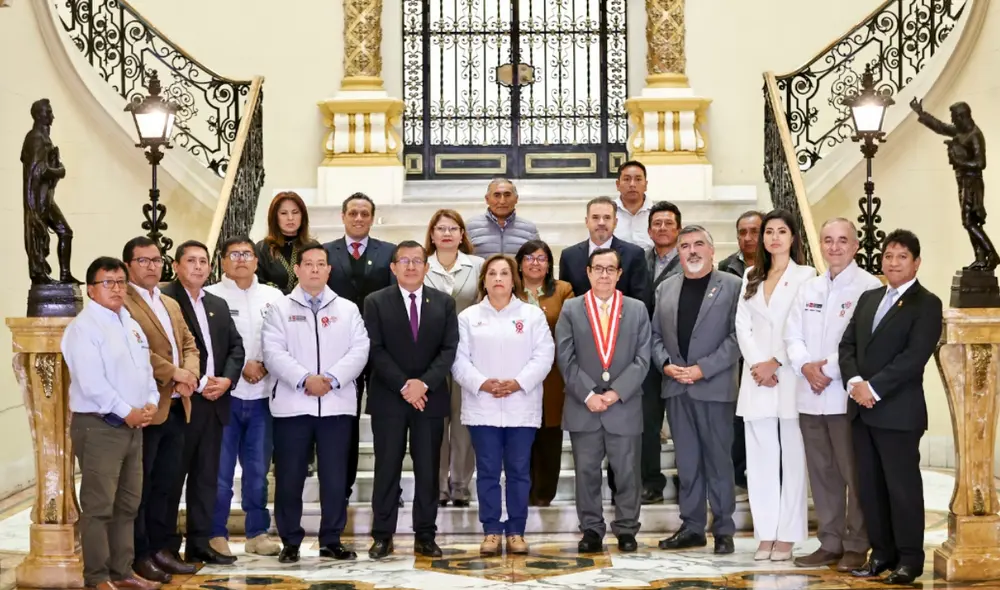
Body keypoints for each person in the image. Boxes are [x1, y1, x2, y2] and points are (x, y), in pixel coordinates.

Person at [840, 229, 942, 585]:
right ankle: (881, 553)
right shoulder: (869, 298)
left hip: (898, 412)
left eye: (902, 257)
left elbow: (913, 358)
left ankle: (910, 559)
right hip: (861, 409)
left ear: (916, 262)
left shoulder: (926, 303)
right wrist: (855, 384)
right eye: (888, 256)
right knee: (869, 487)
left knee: (902, 489)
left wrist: (874, 388)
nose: (893, 262)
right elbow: (847, 345)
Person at [262, 242, 371, 563]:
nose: (313, 269)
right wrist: (305, 378)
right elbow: (273, 352)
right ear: (297, 270)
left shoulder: (348, 309)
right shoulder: (279, 309)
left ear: (328, 269)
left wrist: (332, 379)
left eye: (319, 264)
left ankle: (331, 539)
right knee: (290, 478)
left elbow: (360, 350)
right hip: (292, 407)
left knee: (336, 478)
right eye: (307, 264)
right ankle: (291, 541)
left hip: (336, 407)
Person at [784, 218, 880, 572]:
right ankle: (830, 541)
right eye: (828, 240)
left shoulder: (869, 287)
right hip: (809, 396)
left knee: (853, 474)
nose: (834, 247)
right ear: (820, 245)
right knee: (822, 474)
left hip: (844, 398)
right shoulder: (808, 288)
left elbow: (863, 341)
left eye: (842, 240)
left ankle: (857, 543)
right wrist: (805, 366)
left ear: (855, 246)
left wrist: (827, 370)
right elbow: (792, 335)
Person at [63, 256, 162, 590]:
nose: (117, 288)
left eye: (121, 282)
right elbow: (92, 382)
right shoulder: (83, 328)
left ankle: (122, 571)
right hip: (100, 426)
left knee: (128, 504)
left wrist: (151, 403)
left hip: (133, 425)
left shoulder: (130, 322)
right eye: (109, 283)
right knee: (99, 505)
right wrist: (126, 411)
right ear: (92, 289)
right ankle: (97, 577)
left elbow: (146, 369)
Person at [452, 255, 554, 555]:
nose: (498, 278)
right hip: (482, 407)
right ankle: (492, 531)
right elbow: (459, 360)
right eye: (492, 273)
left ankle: (516, 532)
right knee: (486, 471)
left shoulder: (532, 316)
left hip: (521, 406)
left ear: (514, 280)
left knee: (519, 471)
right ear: (484, 280)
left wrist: (518, 382)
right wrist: (482, 383)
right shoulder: (468, 317)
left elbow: (544, 356)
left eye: (504, 273)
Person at [363, 240, 459, 559]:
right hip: (389, 398)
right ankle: (382, 534)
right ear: (393, 267)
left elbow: (448, 351)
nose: (411, 266)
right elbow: (375, 350)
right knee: (387, 467)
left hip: (430, 400)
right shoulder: (375, 301)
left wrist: (424, 385)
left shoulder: (443, 303)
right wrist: (406, 385)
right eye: (404, 260)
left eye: (417, 260)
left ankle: (426, 535)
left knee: (428, 470)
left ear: (426, 267)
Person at [555, 248, 651, 554]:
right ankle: (592, 530)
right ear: (588, 272)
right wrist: (588, 394)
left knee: (626, 473)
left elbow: (642, 358)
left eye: (611, 269)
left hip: (623, 405)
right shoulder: (571, 309)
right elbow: (565, 359)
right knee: (586, 473)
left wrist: (615, 392)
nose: (604, 275)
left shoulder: (636, 309)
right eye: (599, 268)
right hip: (585, 406)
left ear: (620, 274)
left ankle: (626, 529)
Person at [652, 225, 741, 555]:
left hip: (714, 387)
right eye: (685, 245)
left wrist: (704, 368)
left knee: (718, 461)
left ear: (711, 250)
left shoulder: (732, 286)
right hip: (676, 387)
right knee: (687, 463)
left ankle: (723, 529)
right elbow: (655, 337)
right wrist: (665, 365)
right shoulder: (666, 288)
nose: (692, 250)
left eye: (699, 244)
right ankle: (691, 527)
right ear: (678, 252)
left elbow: (737, 338)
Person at [735, 209, 815, 561]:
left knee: (793, 459)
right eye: (769, 232)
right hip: (756, 381)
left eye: (782, 231)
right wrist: (757, 364)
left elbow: (802, 326)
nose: (774, 238)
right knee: (761, 460)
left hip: (789, 377)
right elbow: (742, 325)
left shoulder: (806, 276)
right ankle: (766, 534)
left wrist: (775, 362)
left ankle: (788, 534)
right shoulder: (751, 274)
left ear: (793, 237)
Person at [162, 241, 245, 565]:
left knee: (206, 478)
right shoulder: (166, 300)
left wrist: (226, 379)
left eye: (203, 261)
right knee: (171, 479)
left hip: (213, 404)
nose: (198, 266)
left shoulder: (218, 304)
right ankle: (166, 546)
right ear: (177, 265)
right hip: (180, 403)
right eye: (191, 261)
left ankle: (200, 543)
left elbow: (236, 348)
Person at [122, 237, 200, 583]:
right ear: (128, 266)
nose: (152, 266)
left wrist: (191, 376)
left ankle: (163, 548)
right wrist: (175, 373)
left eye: (156, 260)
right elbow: (136, 351)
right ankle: (141, 554)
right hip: (148, 407)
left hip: (177, 405)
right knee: (143, 485)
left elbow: (188, 343)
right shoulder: (122, 303)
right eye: (143, 260)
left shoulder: (169, 302)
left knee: (169, 484)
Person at [204, 237, 285, 558]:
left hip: (264, 397)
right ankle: (215, 532)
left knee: (257, 471)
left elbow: (282, 339)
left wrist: (265, 364)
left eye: (247, 254)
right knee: (220, 472)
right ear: (222, 262)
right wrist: (241, 369)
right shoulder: (211, 297)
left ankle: (257, 532)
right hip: (225, 398)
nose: (240, 259)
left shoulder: (273, 297)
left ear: (256, 260)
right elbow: (208, 346)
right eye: (233, 255)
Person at [322, 192, 396, 502]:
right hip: (339, 349)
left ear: (372, 217)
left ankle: (389, 486)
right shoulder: (325, 253)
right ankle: (343, 484)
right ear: (343, 216)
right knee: (345, 420)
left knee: (385, 422)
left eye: (365, 213)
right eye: (353, 212)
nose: (358, 218)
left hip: (380, 347)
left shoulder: (389, 252)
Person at [424, 209, 483, 507]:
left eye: (453, 228)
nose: (447, 234)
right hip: (430, 356)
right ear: (432, 235)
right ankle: (437, 484)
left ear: (462, 234)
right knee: (436, 421)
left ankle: (460, 482)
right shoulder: (421, 266)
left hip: (467, 354)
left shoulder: (478, 266)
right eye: (441, 228)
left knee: (463, 420)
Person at [515, 240, 575, 507]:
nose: (535, 263)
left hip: (553, 374)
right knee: (520, 438)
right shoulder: (509, 290)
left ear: (550, 264)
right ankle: (521, 492)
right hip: (515, 373)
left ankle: (543, 495)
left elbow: (570, 329)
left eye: (541, 258)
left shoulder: (562, 290)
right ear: (519, 263)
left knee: (549, 436)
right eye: (529, 258)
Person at [641, 200, 684, 504]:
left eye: (669, 223)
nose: (663, 228)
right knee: (648, 422)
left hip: (682, 354)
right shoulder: (637, 260)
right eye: (657, 223)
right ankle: (651, 483)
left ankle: (689, 479)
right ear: (649, 229)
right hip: (646, 351)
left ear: (678, 229)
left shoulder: (690, 259)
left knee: (684, 424)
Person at [718, 209, 762, 494]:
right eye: (742, 232)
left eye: (754, 231)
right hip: (735, 352)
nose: (747, 238)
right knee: (735, 417)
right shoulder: (726, 266)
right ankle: (735, 472)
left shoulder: (782, 267)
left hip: (768, 355)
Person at [559, 197, 651, 312]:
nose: (601, 223)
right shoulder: (569, 256)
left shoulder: (634, 255)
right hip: (581, 327)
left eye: (607, 217)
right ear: (586, 221)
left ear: (615, 222)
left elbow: (641, 302)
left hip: (621, 324)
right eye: (595, 217)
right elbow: (565, 300)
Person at [466, 177, 540, 257]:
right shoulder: (470, 227)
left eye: (507, 195)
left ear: (516, 199)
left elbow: (537, 259)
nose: (502, 201)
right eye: (497, 195)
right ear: (487, 199)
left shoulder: (529, 229)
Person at [256, 191, 313, 295]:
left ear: (302, 216)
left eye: (295, 212)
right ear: (274, 217)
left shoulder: (313, 247)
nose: (290, 218)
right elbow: (257, 284)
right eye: (283, 213)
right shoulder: (262, 248)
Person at [612, 160, 654, 249]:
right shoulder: (608, 213)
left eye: (638, 179)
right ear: (618, 184)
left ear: (646, 185)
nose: (632, 184)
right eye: (627, 179)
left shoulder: (656, 213)